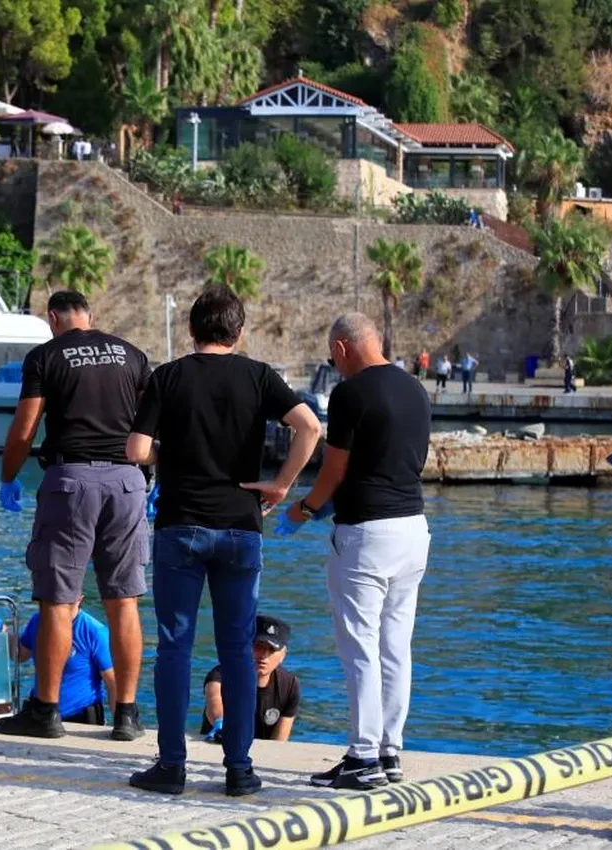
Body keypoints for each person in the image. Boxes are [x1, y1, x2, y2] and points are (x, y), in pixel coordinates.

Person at [125, 286, 321, 798]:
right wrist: (281, 484)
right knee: (236, 649)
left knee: (175, 647)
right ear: (239, 332)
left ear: (191, 331)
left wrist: (172, 457)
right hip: (240, 526)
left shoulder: (168, 377)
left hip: (181, 525)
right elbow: (310, 427)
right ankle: (238, 768)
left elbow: (136, 449)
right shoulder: (258, 376)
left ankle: (171, 766)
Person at [278, 313, 431, 791]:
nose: (335, 365)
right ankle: (390, 752)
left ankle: (363, 756)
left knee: (358, 646)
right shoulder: (416, 389)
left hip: (367, 534)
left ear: (343, 348)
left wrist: (305, 508)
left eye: (332, 356)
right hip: (413, 529)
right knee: (395, 646)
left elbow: (335, 468)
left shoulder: (350, 394)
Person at [0, 290, 150, 743]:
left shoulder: (46, 355)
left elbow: (25, 428)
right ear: (91, 316)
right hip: (127, 480)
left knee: (58, 601)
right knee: (125, 600)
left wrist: (8, 476)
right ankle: (126, 713)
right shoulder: (132, 353)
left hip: (71, 481)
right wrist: (149, 477)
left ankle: (46, 711)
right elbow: (150, 422)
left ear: (53, 319)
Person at [201, 615, 301, 743]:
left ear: (283, 655)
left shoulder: (290, 685)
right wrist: (221, 723)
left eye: (271, 649)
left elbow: (280, 740)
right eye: (258, 646)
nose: (264, 655)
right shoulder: (222, 674)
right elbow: (214, 700)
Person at [17, 598, 115, 725]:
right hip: (40, 714)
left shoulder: (95, 631)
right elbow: (20, 654)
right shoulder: (38, 621)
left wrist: (118, 725)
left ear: (80, 597)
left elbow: (113, 683)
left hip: (80, 719)